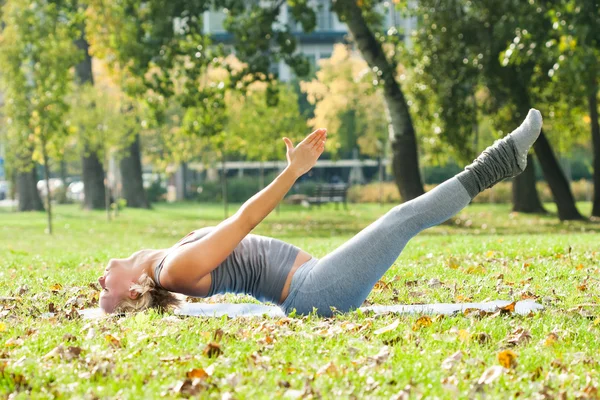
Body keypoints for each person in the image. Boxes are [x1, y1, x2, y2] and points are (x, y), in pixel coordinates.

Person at [98, 109, 543, 317]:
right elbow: (243, 222)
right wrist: (292, 173)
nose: (101, 282)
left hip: (316, 283)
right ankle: (501, 162)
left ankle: (504, 163)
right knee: (400, 220)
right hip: (313, 293)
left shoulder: (166, 259)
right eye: (107, 295)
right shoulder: (172, 270)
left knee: (396, 222)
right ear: (135, 292)